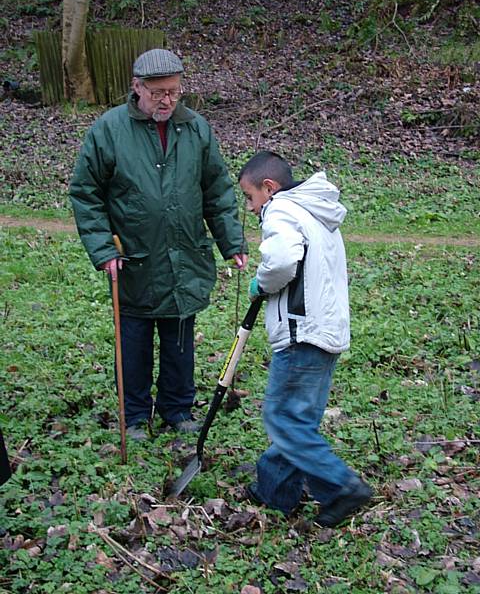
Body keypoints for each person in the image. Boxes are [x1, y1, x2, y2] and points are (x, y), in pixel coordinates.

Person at [70, 49, 248, 440]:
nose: (167, 100)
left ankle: (177, 410)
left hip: (184, 257)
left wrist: (231, 242)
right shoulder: (108, 129)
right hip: (132, 260)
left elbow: (217, 190)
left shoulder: (196, 128)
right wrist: (103, 250)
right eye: (157, 93)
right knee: (133, 344)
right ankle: (134, 416)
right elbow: (86, 193)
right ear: (137, 88)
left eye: (174, 91)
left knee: (180, 342)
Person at [238, 150, 372, 527]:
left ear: (269, 187)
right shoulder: (316, 211)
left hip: (301, 332)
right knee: (298, 419)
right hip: (326, 329)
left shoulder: (281, 210)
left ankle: (341, 486)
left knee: (283, 418)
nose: (250, 208)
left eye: (250, 198)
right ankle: (276, 492)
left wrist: (261, 283)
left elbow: (280, 261)